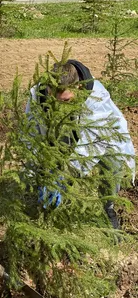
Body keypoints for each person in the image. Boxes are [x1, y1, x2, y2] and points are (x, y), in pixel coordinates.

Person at [26, 59, 135, 229]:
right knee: (49, 162)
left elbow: (92, 144)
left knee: (113, 162)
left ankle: (109, 208)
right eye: (53, 98)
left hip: (105, 139)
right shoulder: (37, 95)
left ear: (79, 87)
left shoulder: (96, 97)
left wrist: (65, 176)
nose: (59, 105)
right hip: (61, 134)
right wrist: (37, 173)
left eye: (66, 100)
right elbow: (30, 135)